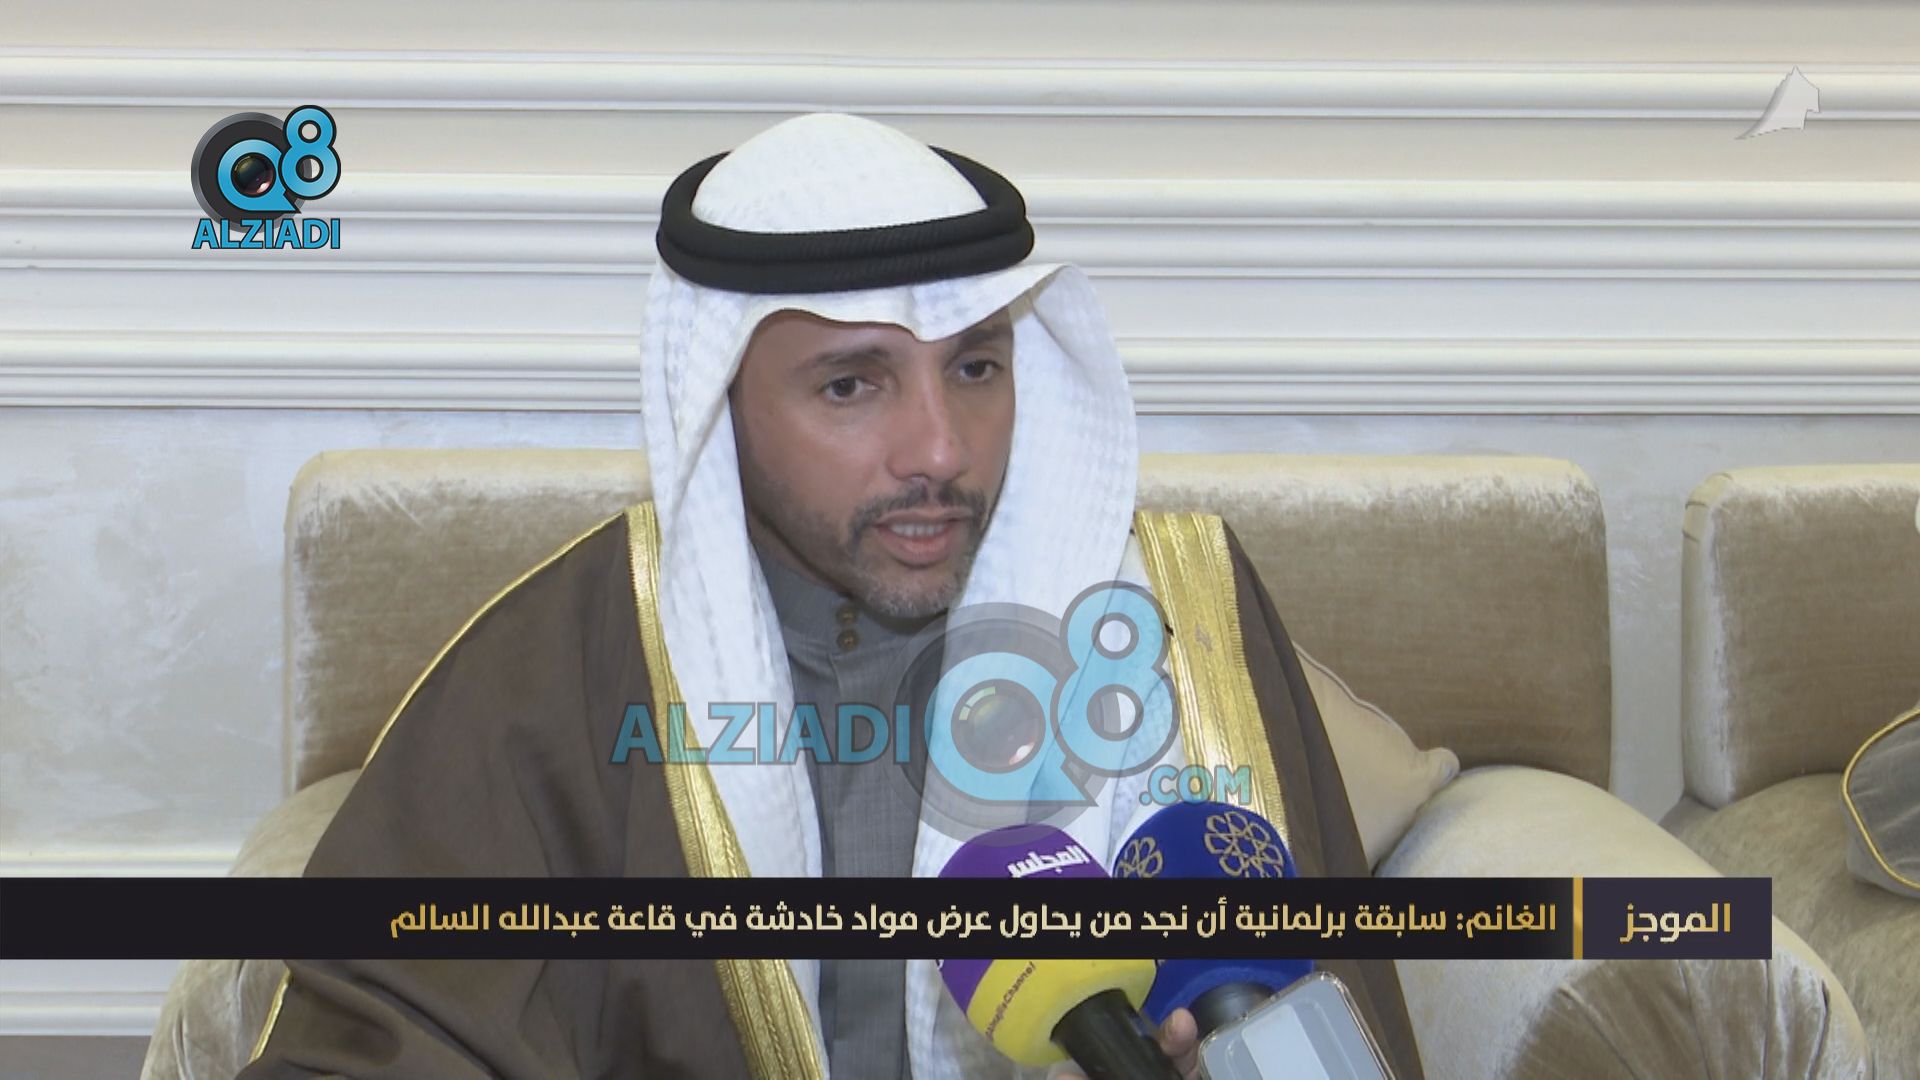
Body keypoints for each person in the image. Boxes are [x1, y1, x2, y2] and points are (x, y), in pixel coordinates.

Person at [239, 112, 1424, 1079]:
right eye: (852, 386)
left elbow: (1321, 1013)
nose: (941, 449)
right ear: (721, 403)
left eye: (976, 367)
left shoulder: (1179, 626)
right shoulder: (554, 672)